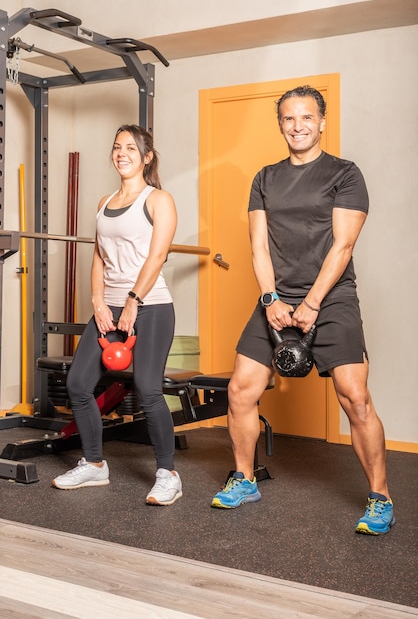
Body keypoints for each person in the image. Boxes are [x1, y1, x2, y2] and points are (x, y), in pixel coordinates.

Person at [211, 86, 395, 535]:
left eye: (306, 118)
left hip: (331, 297)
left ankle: (380, 496)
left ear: (322, 122)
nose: (298, 126)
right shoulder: (265, 178)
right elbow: (257, 245)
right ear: (280, 125)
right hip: (275, 297)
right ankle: (244, 478)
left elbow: (343, 244)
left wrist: (312, 302)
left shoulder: (345, 174)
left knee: (355, 397)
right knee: (240, 390)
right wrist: (271, 298)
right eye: (289, 119)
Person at [52, 124, 182, 506]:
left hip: (151, 305)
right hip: (107, 308)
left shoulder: (159, 199)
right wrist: (96, 300)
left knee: (148, 387)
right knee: (78, 383)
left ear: (147, 157)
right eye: (116, 147)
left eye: (130, 148)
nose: (121, 153)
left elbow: (157, 256)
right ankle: (94, 464)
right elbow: (98, 256)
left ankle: (168, 474)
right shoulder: (103, 202)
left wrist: (132, 300)